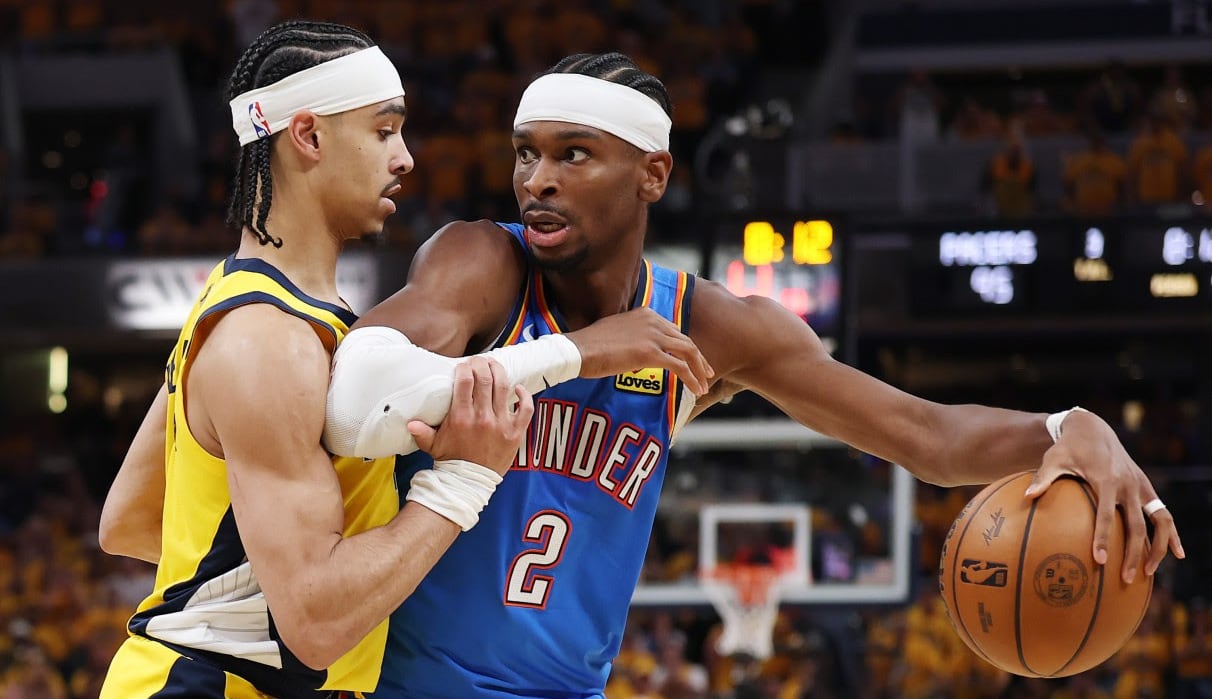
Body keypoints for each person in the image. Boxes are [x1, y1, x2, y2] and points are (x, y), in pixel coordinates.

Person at [324, 52, 1184, 698]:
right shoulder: (481, 264)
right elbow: (354, 396)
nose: (537, 181)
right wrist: (588, 351)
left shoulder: (712, 326)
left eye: (574, 155)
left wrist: (1069, 426)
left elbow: (925, 435)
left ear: (651, 174)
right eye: (525, 154)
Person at [94, 20, 539, 698]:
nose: (406, 158)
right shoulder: (268, 340)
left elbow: (128, 517)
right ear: (308, 136)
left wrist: (277, 568)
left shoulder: (234, 299)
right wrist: (462, 482)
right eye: (385, 130)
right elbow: (316, 622)